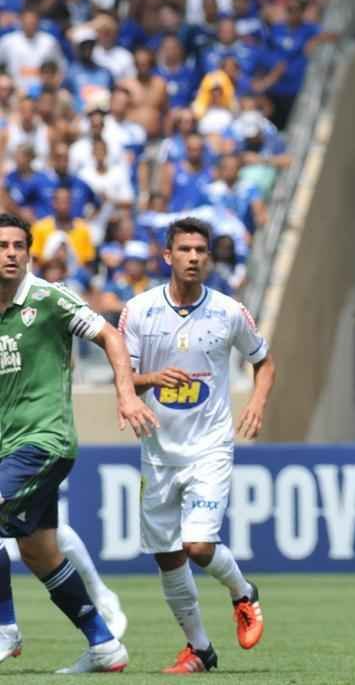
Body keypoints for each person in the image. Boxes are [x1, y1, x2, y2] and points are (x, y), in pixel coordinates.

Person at [0, 212, 156, 673]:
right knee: (39, 550)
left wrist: (126, 394)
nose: (10, 254)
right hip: (9, 446)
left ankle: (5, 627)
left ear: (28, 253)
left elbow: (109, 335)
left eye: (17, 246)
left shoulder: (47, 299)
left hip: (45, 440)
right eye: (1, 246)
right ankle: (105, 645)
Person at [120, 218, 275, 673]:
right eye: (184, 249)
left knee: (198, 546)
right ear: (167, 256)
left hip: (209, 446)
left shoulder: (229, 311)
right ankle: (201, 649)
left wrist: (258, 404)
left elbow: (264, 362)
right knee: (167, 556)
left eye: (200, 250)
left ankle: (243, 592)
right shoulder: (139, 310)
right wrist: (151, 380)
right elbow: (124, 378)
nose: (193, 257)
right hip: (158, 451)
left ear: (208, 257)